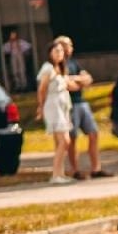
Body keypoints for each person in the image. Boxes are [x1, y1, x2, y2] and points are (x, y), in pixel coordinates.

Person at [57, 35, 110, 180]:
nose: (71, 48)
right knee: (72, 137)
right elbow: (68, 85)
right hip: (70, 104)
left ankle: (96, 168)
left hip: (82, 103)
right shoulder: (59, 65)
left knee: (93, 133)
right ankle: (75, 170)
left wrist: (75, 79)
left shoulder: (74, 62)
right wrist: (78, 81)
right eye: (68, 45)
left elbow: (88, 78)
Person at [35, 40, 74, 183]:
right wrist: (40, 107)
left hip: (63, 105)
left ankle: (60, 173)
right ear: (50, 53)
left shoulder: (60, 69)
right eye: (56, 51)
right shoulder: (48, 68)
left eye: (61, 51)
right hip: (53, 106)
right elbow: (42, 89)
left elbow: (69, 84)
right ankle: (56, 175)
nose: (59, 54)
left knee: (60, 143)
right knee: (65, 140)